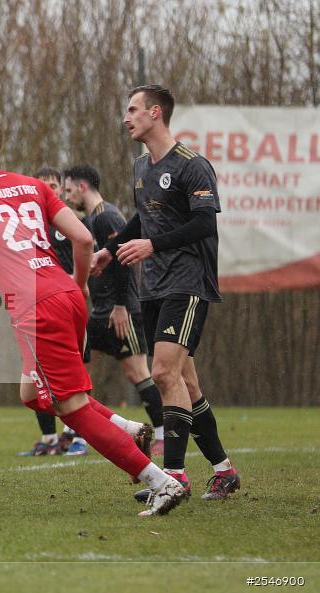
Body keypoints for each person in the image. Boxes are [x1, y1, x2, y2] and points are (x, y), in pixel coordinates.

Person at [0, 117, 187, 516]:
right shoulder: (34, 186)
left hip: (37, 309)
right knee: (32, 393)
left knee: (71, 408)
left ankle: (161, 482)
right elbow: (85, 238)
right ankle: (129, 429)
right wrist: (79, 282)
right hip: (67, 294)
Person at [92, 84, 239, 503]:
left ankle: (173, 477)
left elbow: (204, 224)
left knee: (162, 374)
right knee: (186, 385)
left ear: (156, 113)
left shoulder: (193, 166)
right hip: (153, 287)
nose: (127, 117)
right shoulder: (142, 167)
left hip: (188, 284)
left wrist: (154, 246)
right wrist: (110, 250)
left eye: (133, 109)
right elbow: (144, 217)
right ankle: (224, 472)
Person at [63, 164, 165, 455]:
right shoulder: (92, 219)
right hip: (100, 313)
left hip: (121, 311)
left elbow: (123, 259)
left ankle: (161, 435)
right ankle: (79, 434)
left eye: (69, 190)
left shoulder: (107, 216)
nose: (68, 197)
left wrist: (121, 305)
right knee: (75, 367)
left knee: (138, 373)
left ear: (82, 187)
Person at [17, 166, 82, 457]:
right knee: (35, 374)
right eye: (43, 185)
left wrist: (77, 283)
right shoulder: (27, 227)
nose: (50, 189)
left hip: (65, 305)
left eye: (54, 185)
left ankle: (76, 435)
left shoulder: (66, 225)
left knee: (74, 370)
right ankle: (50, 438)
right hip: (34, 307)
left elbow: (87, 250)